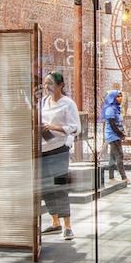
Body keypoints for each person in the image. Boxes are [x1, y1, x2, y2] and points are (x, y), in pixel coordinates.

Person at [40, 72, 80, 241]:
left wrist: (53, 127)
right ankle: (55, 222)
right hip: (42, 149)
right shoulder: (43, 101)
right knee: (45, 188)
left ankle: (68, 226)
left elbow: (75, 128)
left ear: (60, 85)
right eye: (45, 83)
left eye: (50, 83)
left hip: (59, 150)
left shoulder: (68, 103)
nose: (46, 87)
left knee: (60, 187)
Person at [102, 89, 128, 183]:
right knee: (119, 155)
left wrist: (122, 132)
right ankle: (124, 177)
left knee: (112, 156)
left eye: (121, 96)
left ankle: (111, 177)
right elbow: (113, 125)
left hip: (116, 135)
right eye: (117, 96)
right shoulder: (110, 109)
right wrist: (121, 134)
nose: (120, 98)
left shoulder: (117, 108)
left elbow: (119, 123)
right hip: (113, 136)